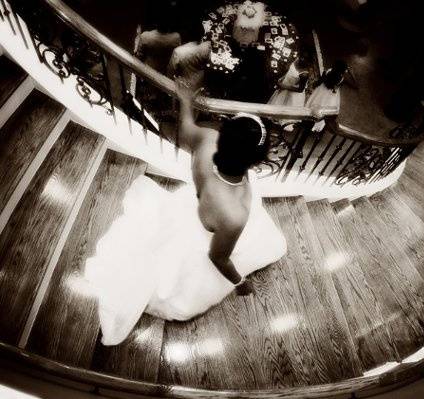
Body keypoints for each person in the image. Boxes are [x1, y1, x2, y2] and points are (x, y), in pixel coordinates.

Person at [85, 82, 287, 346]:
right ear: (255, 161)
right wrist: (240, 283)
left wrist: (185, 101)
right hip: (214, 231)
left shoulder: (207, 140)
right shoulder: (234, 214)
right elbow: (217, 257)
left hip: (196, 207)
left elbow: (185, 127)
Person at [306, 60, 348, 132]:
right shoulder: (341, 78)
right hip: (330, 96)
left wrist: (315, 84)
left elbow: (321, 80)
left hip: (321, 91)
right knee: (323, 110)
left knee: (314, 103)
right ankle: (317, 126)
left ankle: (307, 120)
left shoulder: (328, 71)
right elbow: (335, 88)